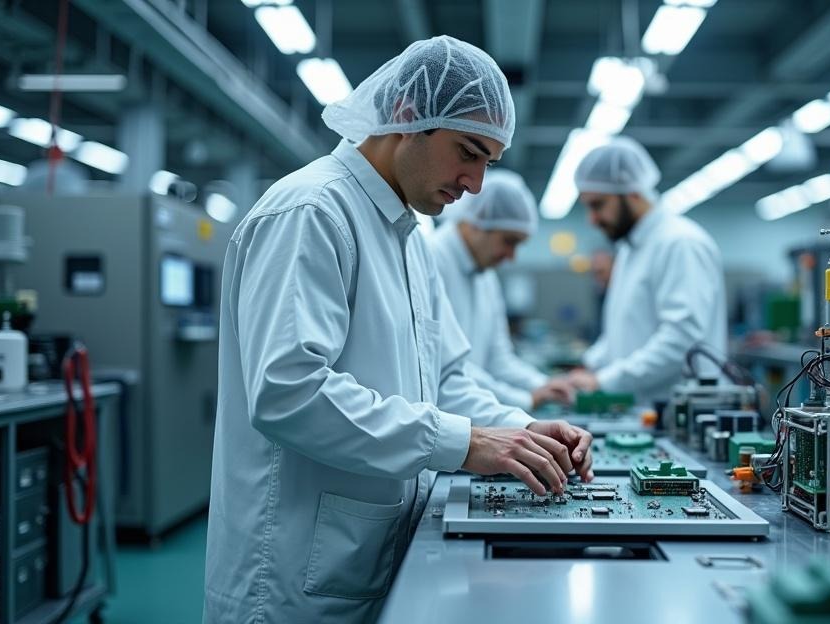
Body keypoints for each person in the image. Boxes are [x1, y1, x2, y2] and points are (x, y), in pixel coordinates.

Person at [203, 36, 593, 624]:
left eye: (488, 162)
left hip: (363, 555)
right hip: (288, 577)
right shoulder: (312, 212)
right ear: (409, 115)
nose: (475, 185)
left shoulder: (409, 238)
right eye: (468, 151)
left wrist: (522, 432)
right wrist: (467, 444)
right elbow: (289, 391)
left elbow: (446, 378)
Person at [564, 136, 727, 404]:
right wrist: (589, 365)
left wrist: (604, 381)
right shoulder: (630, 248)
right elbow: (624, 330)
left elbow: (681, 340)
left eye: (598, 205)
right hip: (644, 410)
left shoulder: (680, 243)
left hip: (682, 412)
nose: (592, 219)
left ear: (633, 193)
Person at [427, 169, 573, 411]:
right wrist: (522, 400)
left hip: (478, 412)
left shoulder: (485, 273)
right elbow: (444, 364)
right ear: (476, 223)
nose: (512, 256)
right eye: (509, 241)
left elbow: (498, 359)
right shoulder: (431, 258)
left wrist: (544, 384)